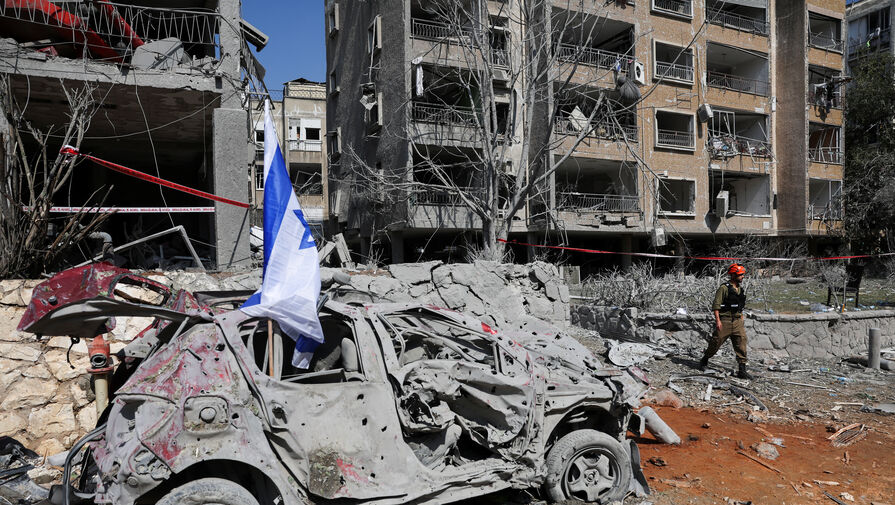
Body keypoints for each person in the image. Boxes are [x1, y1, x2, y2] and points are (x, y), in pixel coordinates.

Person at [699, 263, 753, 380]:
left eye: (743, 274)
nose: (742, 277)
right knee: (715, 342)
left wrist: (741, 317)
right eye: (740, 275)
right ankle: (704, 359)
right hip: (725, 321)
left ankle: (742, 370)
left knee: (741, 343)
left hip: (737, 321)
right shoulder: (724, 288)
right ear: (733, 275)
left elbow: (740, 306)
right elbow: (716, 305)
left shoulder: (740, 289)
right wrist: (718, 321)